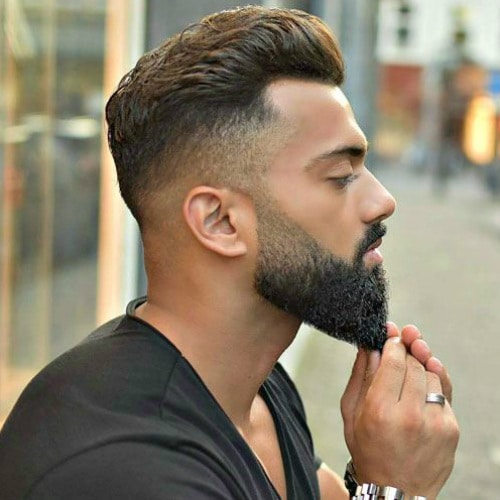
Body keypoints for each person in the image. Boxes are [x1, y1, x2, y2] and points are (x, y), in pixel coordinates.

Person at [0, 6, 459, 499]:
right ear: (219, 222)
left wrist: (385, 454)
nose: (383, 200)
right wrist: (396, 488)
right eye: (340, 176)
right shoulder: (122, 468)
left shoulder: (253, 389)